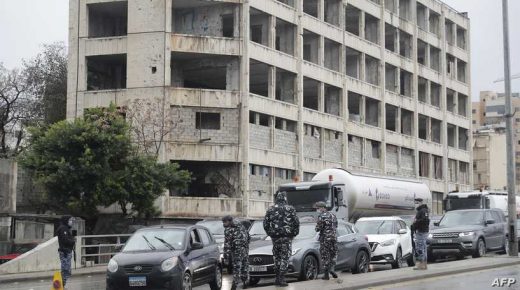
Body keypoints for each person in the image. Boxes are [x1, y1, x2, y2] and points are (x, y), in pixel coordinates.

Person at [263, 191, 300, 287]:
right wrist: (294, 234)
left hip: (275, 238)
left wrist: (270, 234)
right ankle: (282, 278)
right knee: (285, 256)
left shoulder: (270, 209)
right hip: (286, 237)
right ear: (285, 198)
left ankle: (277, 278)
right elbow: (296, 223)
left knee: (277, 257)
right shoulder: (290, 209)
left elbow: (265, 224)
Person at [223, 216, 250, 290]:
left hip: (236, 252)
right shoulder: (242, 226)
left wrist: (226, 258)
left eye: (225, 222)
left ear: (229, 221)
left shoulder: (228, 230)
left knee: (237, 268)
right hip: (244, 250)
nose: (223, 224)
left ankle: (234, 285)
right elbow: (248, 238)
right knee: (245, 266)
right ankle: (245, 282)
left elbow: (227, 245)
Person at [315, 201, 338, 280]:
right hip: (334, 238)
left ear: (322, 208)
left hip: (325, 238)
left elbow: (318, 228)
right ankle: (332, 269)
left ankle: (326, 275)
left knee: (325, 255)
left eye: (318, 208)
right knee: (333, 254)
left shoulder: (321, 216)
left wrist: (317, 227)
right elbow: (336, 225)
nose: (317, 210)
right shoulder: (333, 215)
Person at [56, 215, 76, 287]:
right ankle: (61, 285)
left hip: (67, 251)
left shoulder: (66, 228)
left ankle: (62, 285)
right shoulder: (63, 229)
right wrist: (73, 242)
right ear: (66, 220)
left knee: (67, 269)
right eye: (70, 220)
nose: (71, 222)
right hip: (65, 252)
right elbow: (65, 240)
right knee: (65, 269)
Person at [412, 198, 430, 270]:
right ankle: (424, 264)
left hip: (421, 231)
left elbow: (424, 220)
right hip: (423, 231)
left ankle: (420, 264)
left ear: (420, 202)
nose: (415, 204)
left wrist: (415, 222)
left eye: (416, 202)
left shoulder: (422, 211)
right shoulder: (424, 210)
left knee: (419, 247)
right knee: (423, 247)